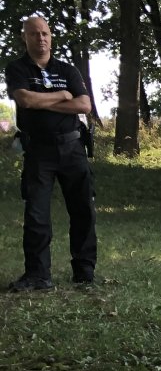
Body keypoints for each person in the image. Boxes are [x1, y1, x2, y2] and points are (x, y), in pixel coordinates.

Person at [6, 15, 96, 292]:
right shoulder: (17, 68)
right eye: (34, 34)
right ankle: (37, 275)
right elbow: (25, 99)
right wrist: (61, 96)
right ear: (25, 37)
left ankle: (84, 272)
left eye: (44, 33)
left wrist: (43, 101)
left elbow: (84, 105)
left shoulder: (67, 69)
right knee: (36, 213)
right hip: (38, 150)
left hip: (72, 147)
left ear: (51, 37)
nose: (40, 38)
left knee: (82, 209)